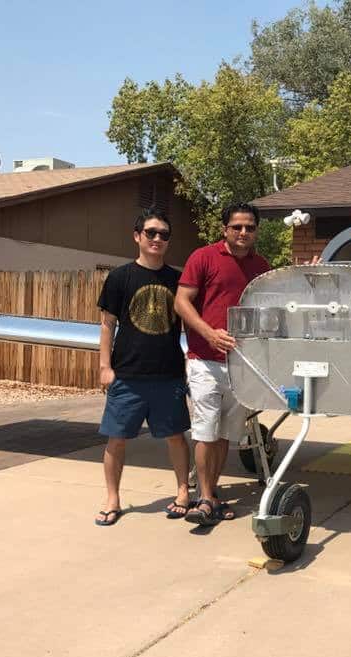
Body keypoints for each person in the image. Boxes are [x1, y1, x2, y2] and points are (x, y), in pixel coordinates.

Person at [174, 202, 272, 527]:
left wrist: (308, 274)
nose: (243, 232)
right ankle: (204, 499)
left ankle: (211, 493)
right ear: (225, 229)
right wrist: (207, 333)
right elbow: (181, 302)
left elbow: (278, 304)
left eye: (250, 227)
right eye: (237, 227)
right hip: (204, 360)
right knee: (205, 429)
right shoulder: (203, 257)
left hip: (242, 365)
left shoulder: (262, 267)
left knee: (226, 434)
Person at [95, 209, 191, 526]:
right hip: (127, 375)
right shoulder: (120, 277)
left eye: (164, 234)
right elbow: (107, 324)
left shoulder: (179, 280)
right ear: (137, 236)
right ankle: (112, 498)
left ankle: (182, 493)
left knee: (176, 437)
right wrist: (105, 367)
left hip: (168, 375)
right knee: (116, 439)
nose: (158, 239)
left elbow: (190, 325)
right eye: (151, 233)